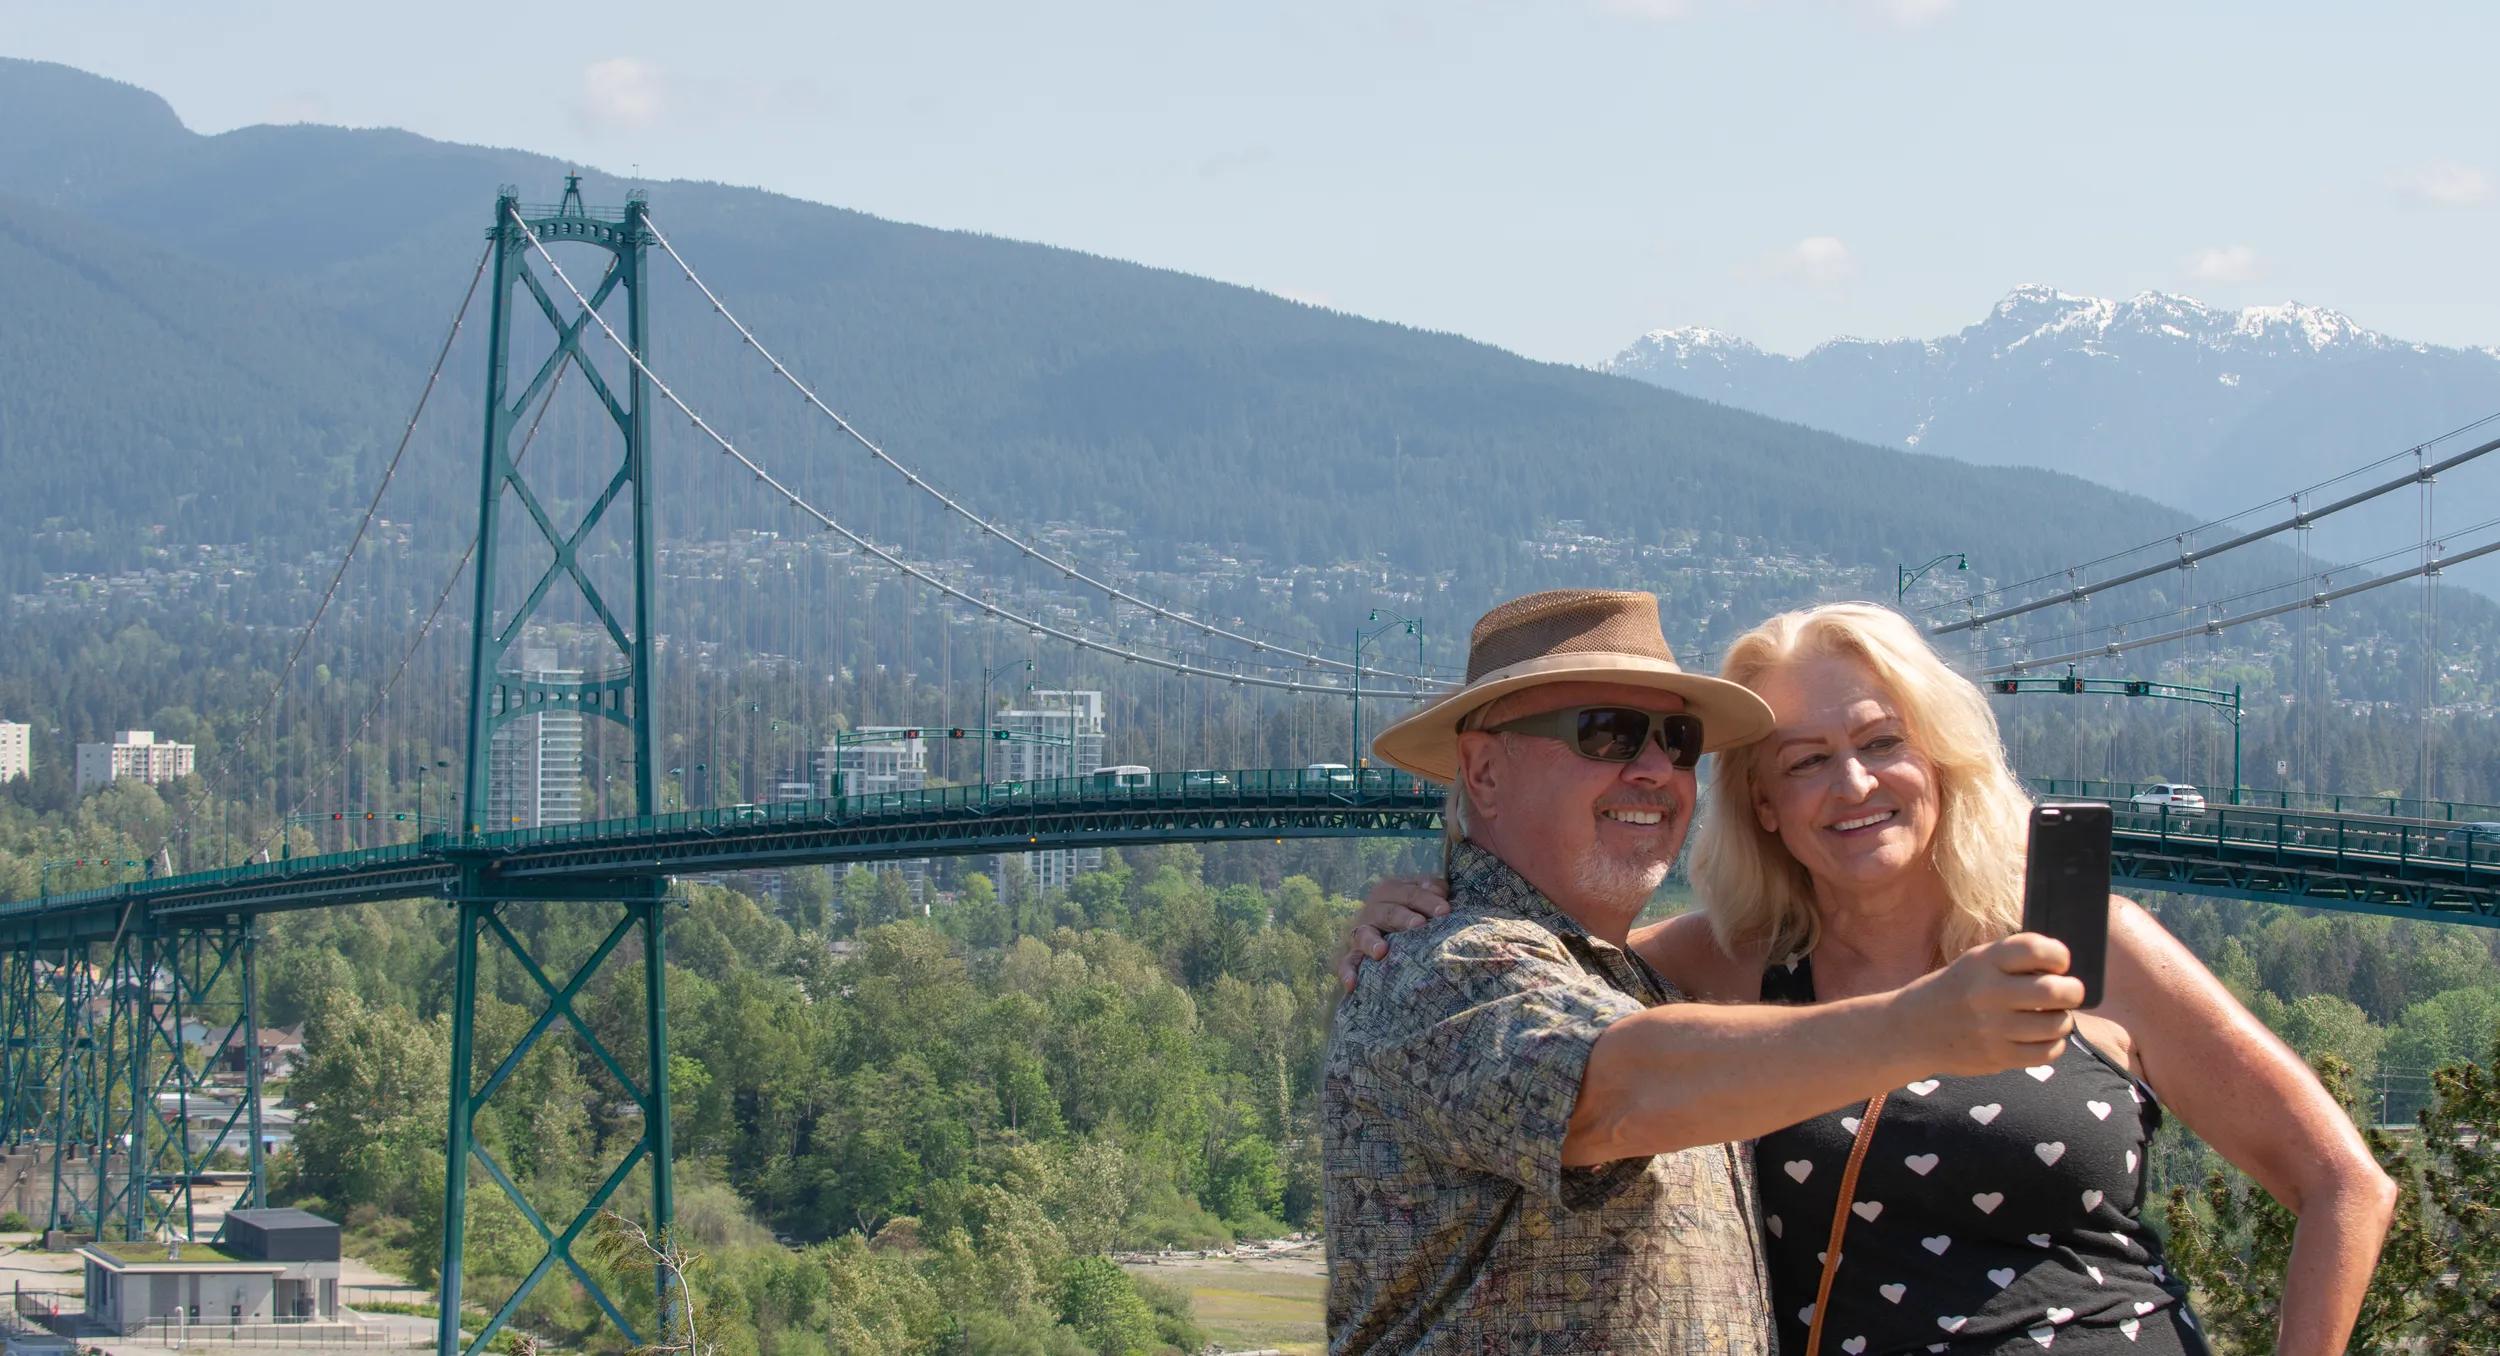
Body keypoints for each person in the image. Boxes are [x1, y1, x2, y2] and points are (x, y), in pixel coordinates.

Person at [1340, 602, 2398, 1355]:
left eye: (1881, 742)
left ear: (1937, 758)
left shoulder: (2083, 944)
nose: (1852, 785)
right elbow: (1605, 1070)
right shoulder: (1689, 977)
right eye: (1802, 760)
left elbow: (2340, 1181)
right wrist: (1404, 929)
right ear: (1761, 803)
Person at [1324, 590, 2090, 1354]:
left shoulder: (1636, 984)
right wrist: (1924, 1025)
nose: (1656, 769)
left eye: (1680, 740)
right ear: (1484, 772)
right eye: (1608, 734)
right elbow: (1615, 1093)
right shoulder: (1434, 969)